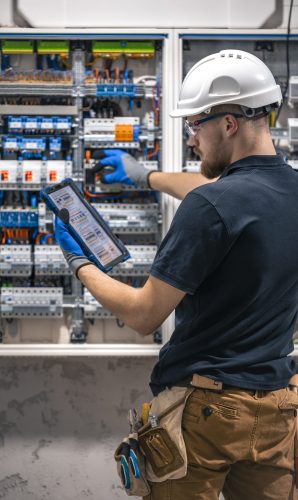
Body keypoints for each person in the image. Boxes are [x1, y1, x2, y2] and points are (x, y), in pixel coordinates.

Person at [55, 49, 298, 499]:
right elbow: (226, 191)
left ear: (228, 124)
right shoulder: (286, 190)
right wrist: (147, 176)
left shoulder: (210, 208)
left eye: (194, 126)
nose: (191, 139)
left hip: (207, 414)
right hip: (279, 409)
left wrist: (80, 262)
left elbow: (145, 314)